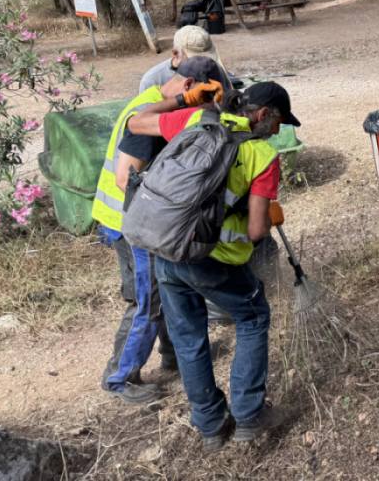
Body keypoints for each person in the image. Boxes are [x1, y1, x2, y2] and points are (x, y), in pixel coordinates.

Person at [126, 82, 298, 450]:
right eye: (280, 121)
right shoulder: (262, 155)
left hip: (166, 249)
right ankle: (250, 416)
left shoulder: (196, 120)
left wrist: (182, 100)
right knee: (252, 317)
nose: (280, 131)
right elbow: (254, 231)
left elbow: (135, 123)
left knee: (189, 337)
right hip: (210, 261)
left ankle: (210, 426)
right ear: (263, 114)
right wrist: (267, 213)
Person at [93, 57, 228, 405]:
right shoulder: (148, 117)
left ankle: (172, 354)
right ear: (189, 87)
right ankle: (120, 377)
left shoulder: (156, 100)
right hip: (129, 223)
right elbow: (126, 178)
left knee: (166, 285)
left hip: (138, 218)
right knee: (147, 300)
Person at [139, 25, 225, 93]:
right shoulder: (152, 80)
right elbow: (144, 114)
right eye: (196, 58)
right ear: (175, 53)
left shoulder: (212, 68)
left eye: (207, 57)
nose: (204, 62)